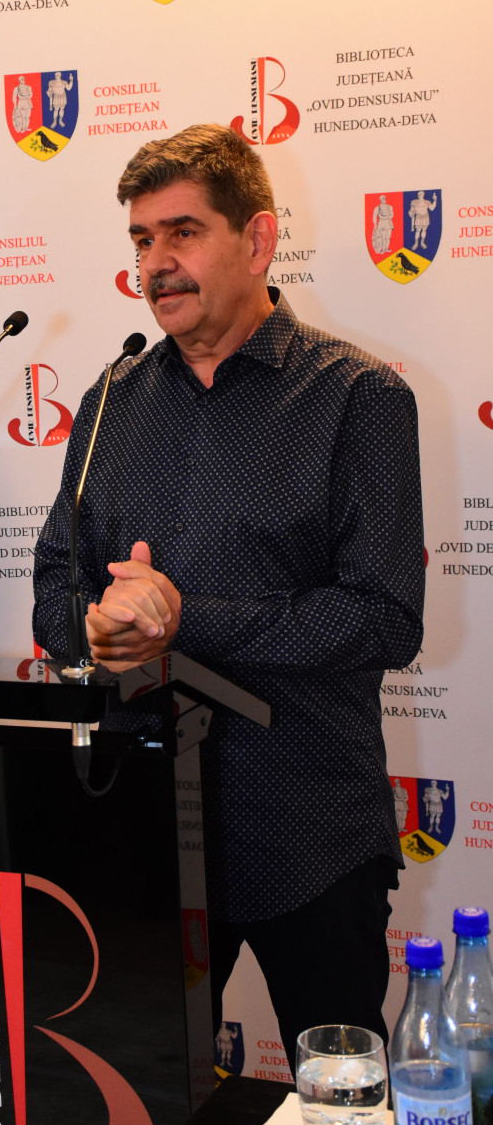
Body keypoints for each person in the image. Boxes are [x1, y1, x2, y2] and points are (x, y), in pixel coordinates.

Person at [33, 124, 424, 1073]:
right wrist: (95, 629)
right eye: (141, 239)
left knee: (340, 1107)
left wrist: (182, 622)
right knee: (144, 1111)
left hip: (308, 831)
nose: (155, 264)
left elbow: (384, 617)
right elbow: (54, 585)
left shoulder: (357, 397)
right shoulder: (112, 399)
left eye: (182, 233)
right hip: (144, 836)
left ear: (257, 239)